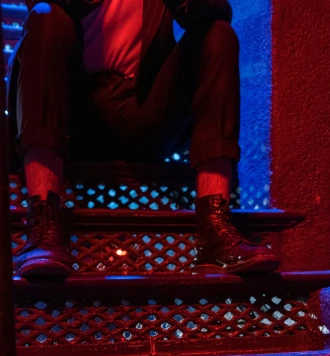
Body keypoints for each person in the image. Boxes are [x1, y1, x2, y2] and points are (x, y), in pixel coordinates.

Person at [10, 0, 281, 278]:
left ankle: (215, 229)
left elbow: (219, 9)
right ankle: (43, 224)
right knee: (45, 15)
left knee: (219, 33)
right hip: (73, 118)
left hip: (141, 111)